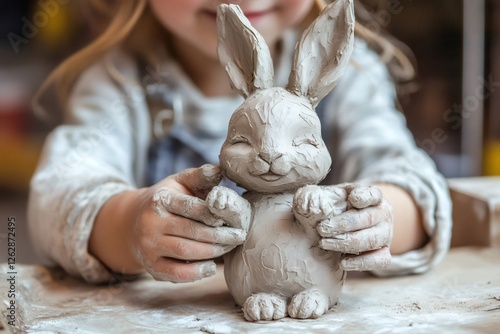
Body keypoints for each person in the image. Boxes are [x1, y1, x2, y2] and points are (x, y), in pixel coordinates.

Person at [28, 0, 452, 284]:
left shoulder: (351, 74)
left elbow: (414, 184)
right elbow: (58, 195)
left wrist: (374, 219)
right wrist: (131, 226)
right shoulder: (118, 84)